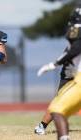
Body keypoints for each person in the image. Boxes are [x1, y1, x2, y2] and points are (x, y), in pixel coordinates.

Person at [36, 6, 81, 140]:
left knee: (58, 106)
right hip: (72, 72)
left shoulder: (76, 29)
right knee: (58, 105)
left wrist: (54, 64)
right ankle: (42, 126)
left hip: (75, 74)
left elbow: (74, 49)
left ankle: (43, 127)